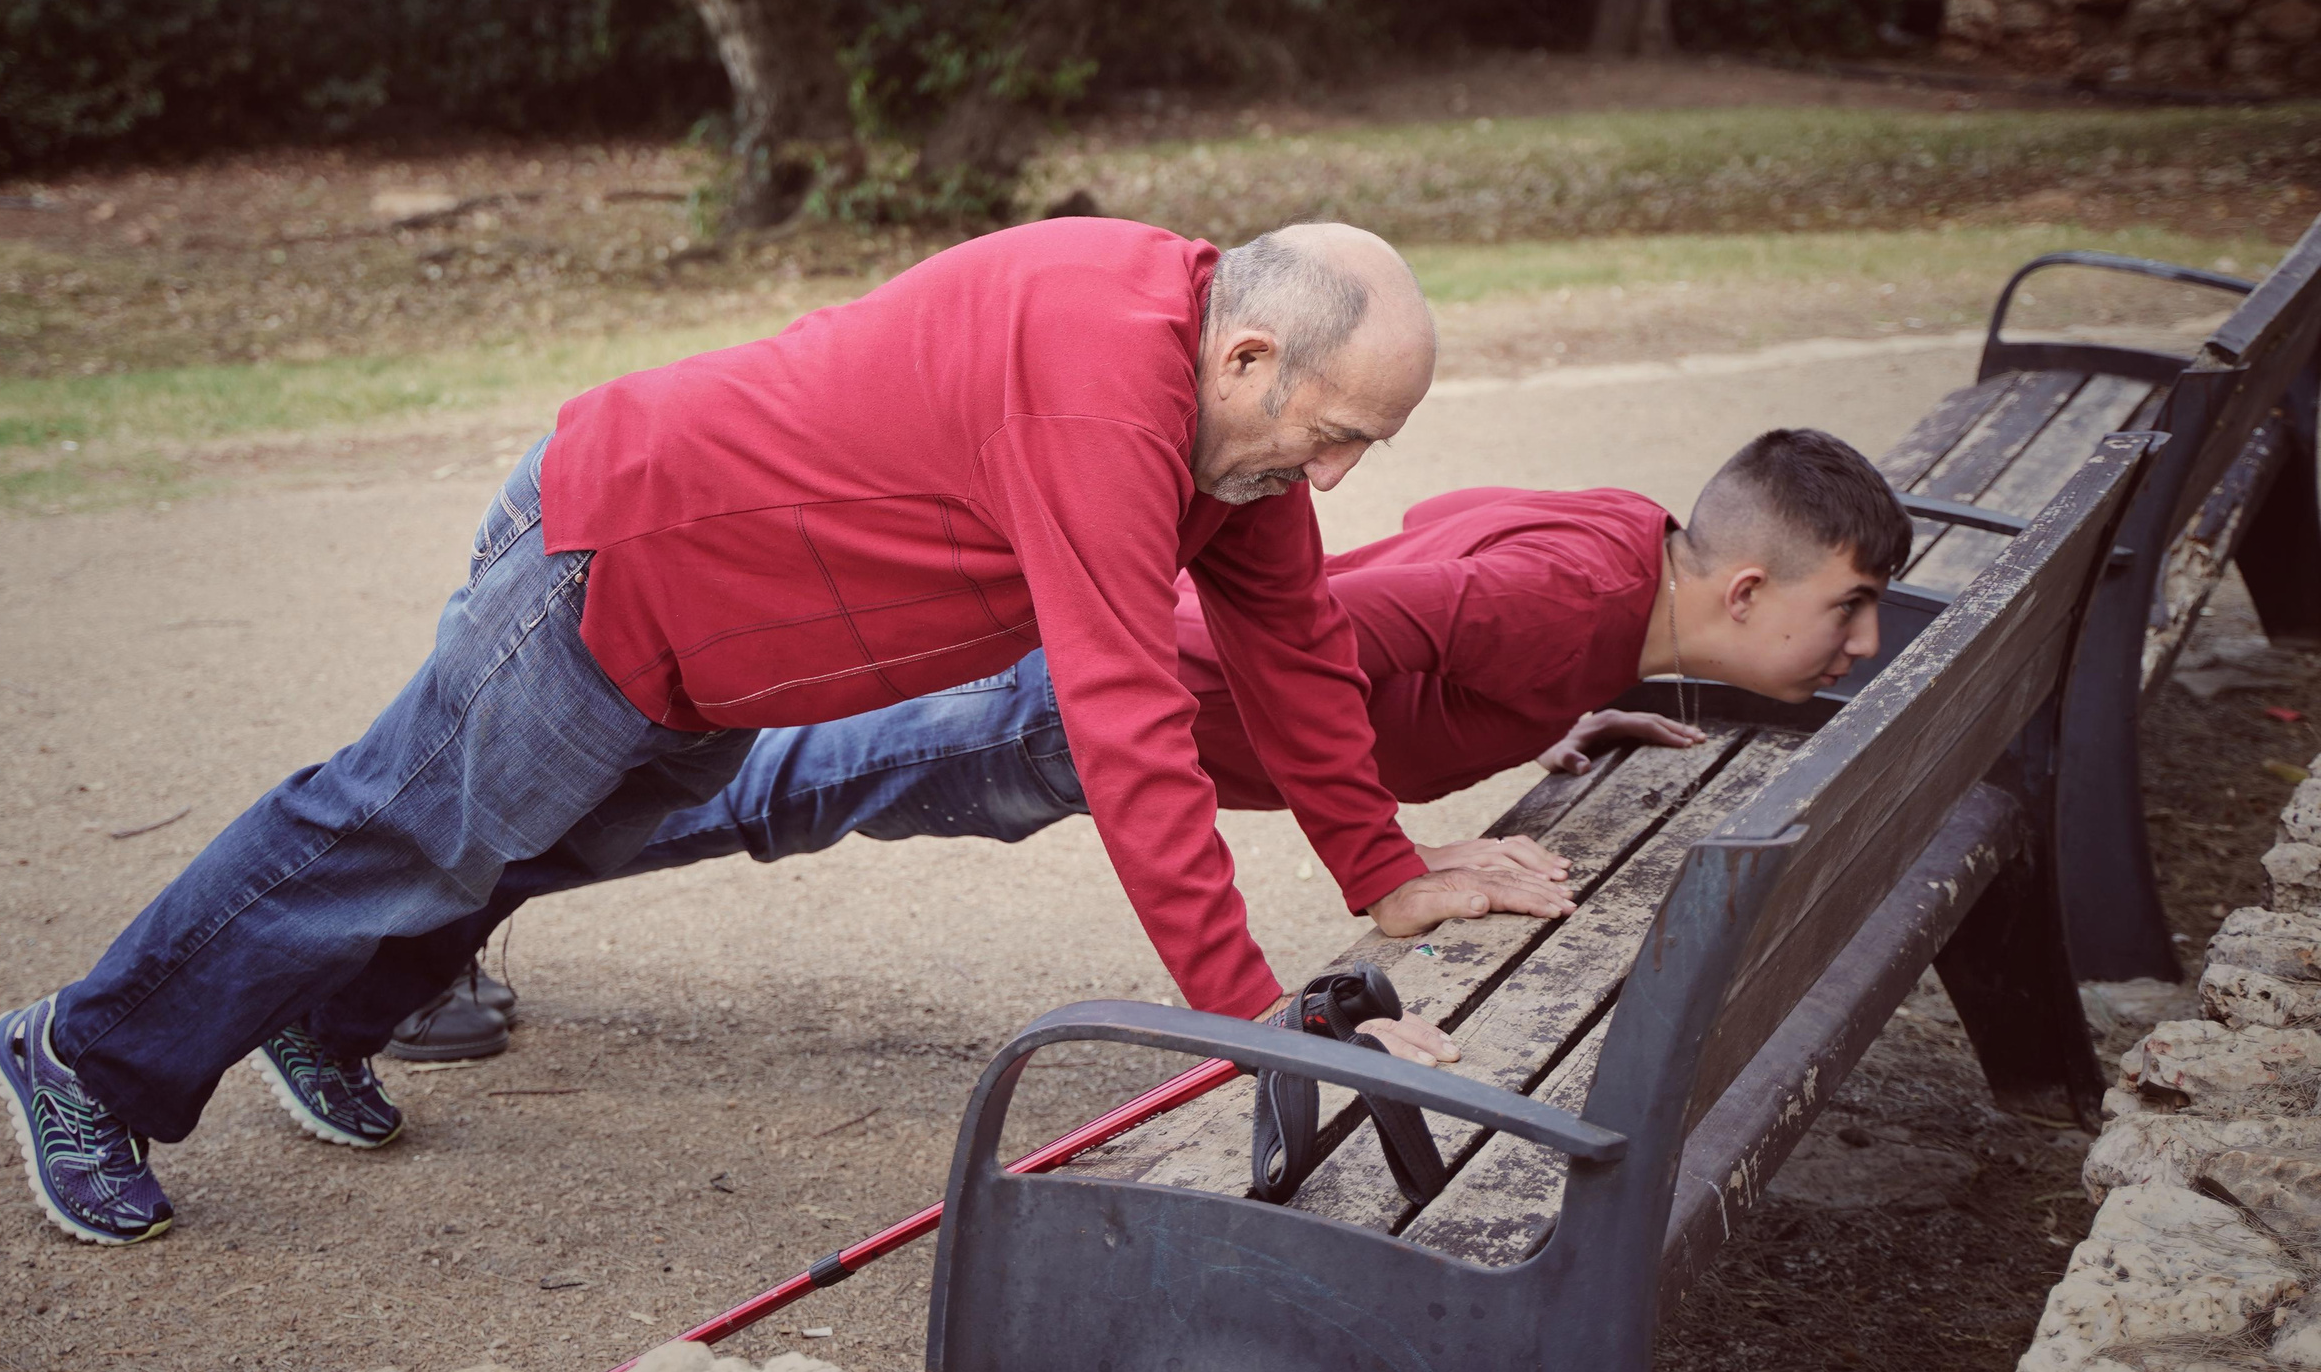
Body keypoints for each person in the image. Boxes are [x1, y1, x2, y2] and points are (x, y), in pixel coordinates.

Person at [0, 219, 1557, 1245]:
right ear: (1249, 356)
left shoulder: (1236, 452)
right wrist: (1247, 1015)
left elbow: (1288, 638)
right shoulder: (1107, 385)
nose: (1335, 479)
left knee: (535, 844)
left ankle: (323, 1014)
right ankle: (86, 1054)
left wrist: (1382, 861)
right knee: (399, 825)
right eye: (1333, 436)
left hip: (736, 659)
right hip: (618, 567)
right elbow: (1127, 713)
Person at [389, 427, 1914, 1053]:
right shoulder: (1565, 605)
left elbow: (1438, 546)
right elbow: (1336, 640)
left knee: (770, 787)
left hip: (1107, 690)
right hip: (1102, 705)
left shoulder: (1616, 566)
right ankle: (392, 924)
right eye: (1849, 611)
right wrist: (1394, 848)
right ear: (1744, 586)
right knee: (768, 789)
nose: (1856, 647)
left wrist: (1545, 707)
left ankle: (418, 896)